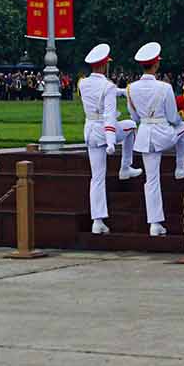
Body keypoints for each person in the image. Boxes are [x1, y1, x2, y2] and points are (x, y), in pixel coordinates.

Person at [126, 42, 182, 236]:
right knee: (182, 128)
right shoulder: (165, 88)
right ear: (156, 64)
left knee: (151, 180)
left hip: (144, 135)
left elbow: (133, 117)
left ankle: (155, 223)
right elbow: (173, 118)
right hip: (163, 134)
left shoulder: (131, 88)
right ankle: (180, 166)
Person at [78, 43, 121, 235]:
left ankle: (98, 220)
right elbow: (110, 116)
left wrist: (124, 91)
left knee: (97, 177)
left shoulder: (83, 83)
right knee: (130, 127)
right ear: (104, 65)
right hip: (104, 131)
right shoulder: (108, 86)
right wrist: (111, 141)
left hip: (90, 129)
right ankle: (126, 165)